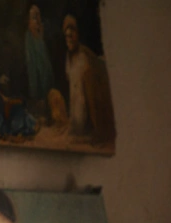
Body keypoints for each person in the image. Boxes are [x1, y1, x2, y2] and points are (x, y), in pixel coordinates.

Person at [62, 15, 115, 143]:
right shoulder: (68, 57)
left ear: (77, 35)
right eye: (67, 37)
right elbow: (69, 78)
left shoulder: (84, 56)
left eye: (72, 36)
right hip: (74, 105)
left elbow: (91, 88)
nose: (69, 39)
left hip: (84, 106)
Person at [24, 5, 55, 116]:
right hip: (38, 93)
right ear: (29, 21)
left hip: (50, 89)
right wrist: (36, 97)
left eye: (38, 16)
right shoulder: (29, 39)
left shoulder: (44, 35)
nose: (37, 20)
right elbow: (32, 69)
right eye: (33, 17)